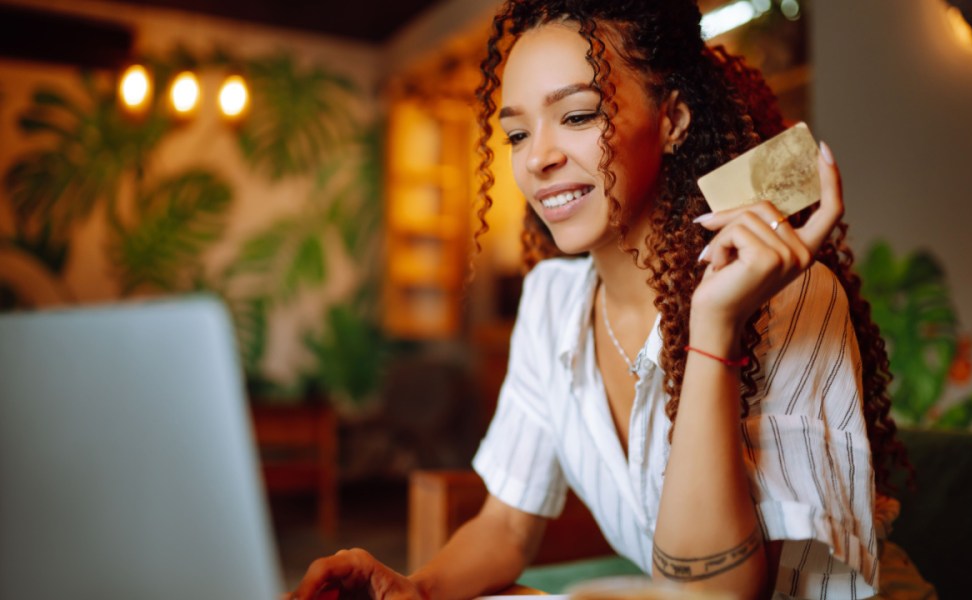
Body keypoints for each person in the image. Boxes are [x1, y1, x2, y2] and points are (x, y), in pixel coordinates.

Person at [289, 0, 921, 598]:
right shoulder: (551, 302)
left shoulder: (788, 299)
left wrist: (714, 326)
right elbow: (508, 525)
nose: (537, 157)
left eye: (578, 115)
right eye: (515, 134)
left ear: (672, 120)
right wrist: (416, 587)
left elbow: (713, 593)